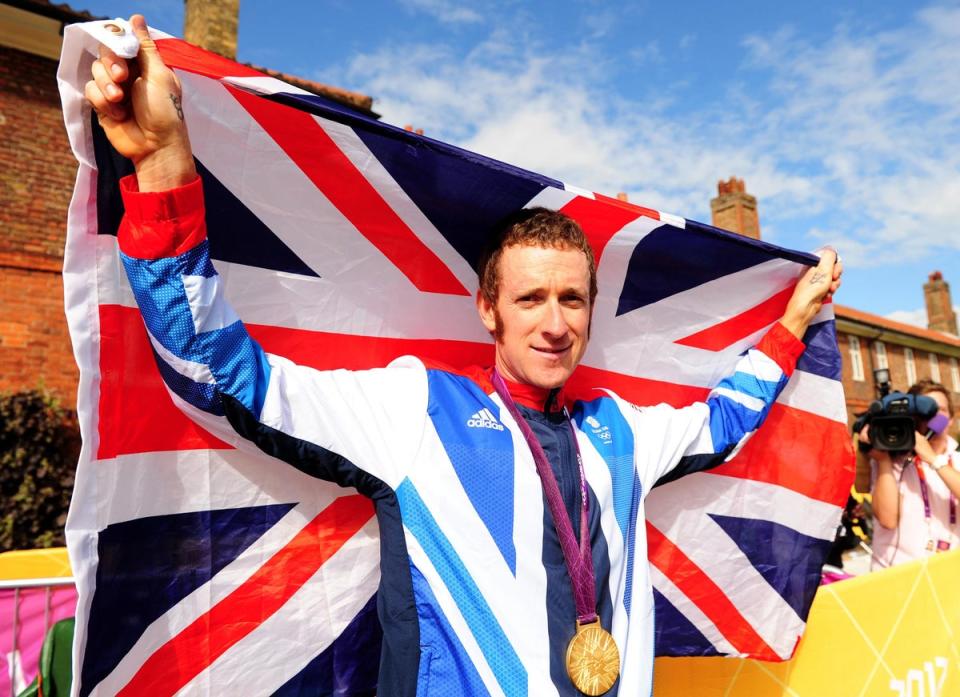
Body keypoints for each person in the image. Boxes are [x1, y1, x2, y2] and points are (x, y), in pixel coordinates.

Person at [85, 15, 841, 697]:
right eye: (530, 298)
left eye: (571, 300)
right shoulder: (416, 411)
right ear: (488, 309)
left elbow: (725, 420)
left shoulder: (623, 432)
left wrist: (791, 324)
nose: (553, 324)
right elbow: (227, 375)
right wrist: (162, 173)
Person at [870, 380, 960, 570]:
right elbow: (887, 519)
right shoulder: (892, 459)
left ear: (951, 419)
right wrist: (883, 460)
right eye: (926, 410)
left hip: (950, 573)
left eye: (940, 410)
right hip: (899, 576)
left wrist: (933, 459)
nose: (933, 415)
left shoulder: (957, 460)